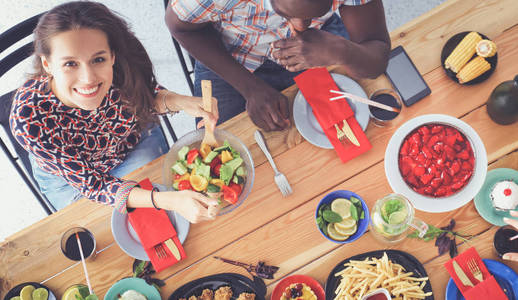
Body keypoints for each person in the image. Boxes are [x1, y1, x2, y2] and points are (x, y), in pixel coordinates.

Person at [10, 1, 219, 223]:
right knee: (107, 229)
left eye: (98, 59)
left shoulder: (121, 67)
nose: (88, 78)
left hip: (129, 146)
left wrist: (180, 101)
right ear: (48, 64)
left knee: (169, 219)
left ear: (112, 57)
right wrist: (169, 200)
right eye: (70, 64)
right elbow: (95, 185)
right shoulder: (28, 119)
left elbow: (144, 97)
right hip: (72, 181)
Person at [165, 0, 390, 132]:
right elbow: (180, 28)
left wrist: (342, 51)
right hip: (229, 54)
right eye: (286, 14)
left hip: (323, 40)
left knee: (367, 129)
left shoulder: (312, 28)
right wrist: (250, 88)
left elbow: (377, 55)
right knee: (218, 160)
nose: (301, 28)